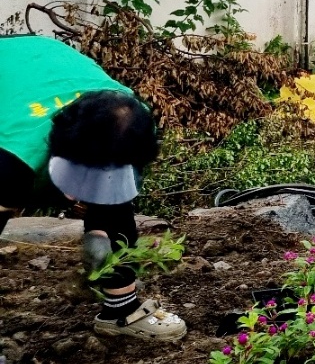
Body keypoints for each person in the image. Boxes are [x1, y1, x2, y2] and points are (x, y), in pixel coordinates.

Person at [0, 35, 187, 341]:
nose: (76, 197)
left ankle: (120, 310)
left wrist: (100, 230)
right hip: (14, 87)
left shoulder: (130, 122)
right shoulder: (10, 160)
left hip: (42, 61)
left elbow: (116, 188)